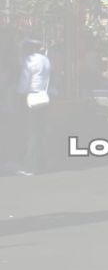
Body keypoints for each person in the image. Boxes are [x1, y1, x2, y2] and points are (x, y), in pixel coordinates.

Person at [17, 40, 51, 176]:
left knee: (32, 132)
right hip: (44, 96)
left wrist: (18, 93)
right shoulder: (46, 59)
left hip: (31, 98)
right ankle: (43, 162)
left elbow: (24, 82)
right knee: (41, 131)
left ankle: (30, 166)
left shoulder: (29, 60)